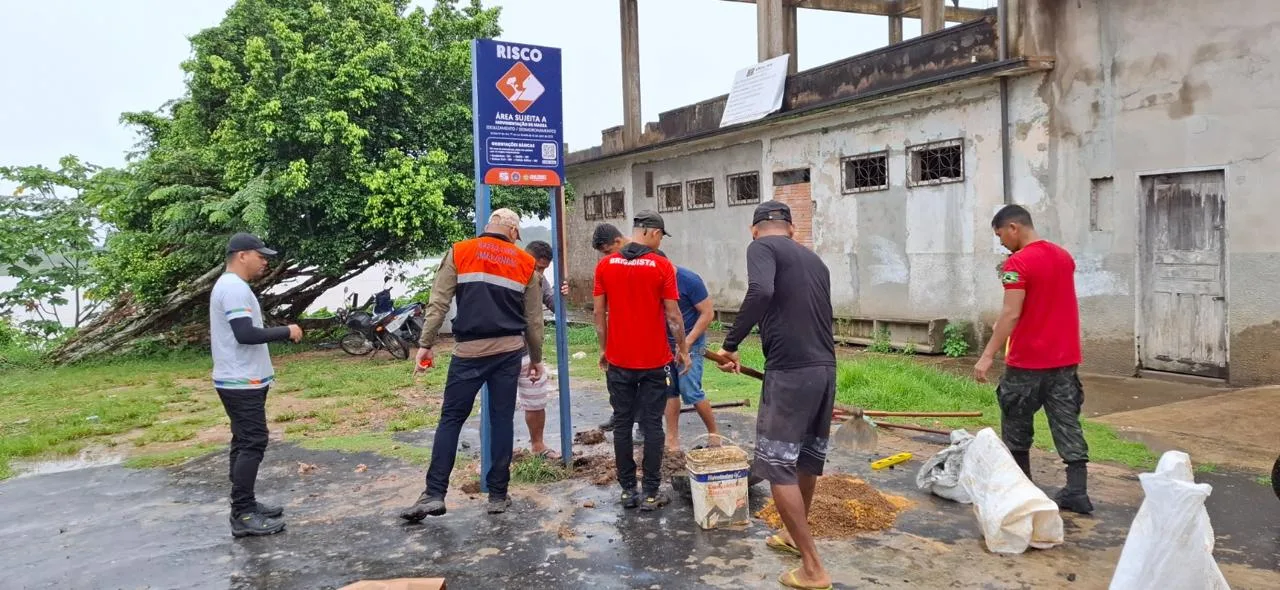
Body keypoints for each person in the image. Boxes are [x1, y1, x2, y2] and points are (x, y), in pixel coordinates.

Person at [716, 201, 837, 590]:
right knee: (805, 458)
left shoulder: (761, 248)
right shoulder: (816, 261)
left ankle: (813, 568)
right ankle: (790, 535)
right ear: (792, 228)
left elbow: (761, 290)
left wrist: (731, 343)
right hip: (824, 370)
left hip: (790, 374)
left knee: (775, 465)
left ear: (754, 230)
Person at [400, 209, 544, 521]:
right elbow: (533, 320)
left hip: (468, 351)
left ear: (488, 226)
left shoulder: (460, 251)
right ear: (514, 233)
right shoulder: (525, 262)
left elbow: (438, 303)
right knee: (501, 420)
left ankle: (434, 493)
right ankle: (497, 495)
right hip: (509, 351)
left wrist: (425, 345)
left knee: (451, 419)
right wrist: (536, 359)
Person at [974, 204, 1093, 514]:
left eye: (1001, 235)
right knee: (1067, 421)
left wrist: (987, 356)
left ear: (1014, 227)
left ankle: (1021, 487)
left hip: (1027, 360)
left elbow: (1011, 313)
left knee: (1015, 421)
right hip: (1065, 359)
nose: (1001, 242)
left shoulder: (1017, 264)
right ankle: (1077, 491)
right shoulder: (1064, 257)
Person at [593, 211, 690, 511]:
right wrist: (683, 349)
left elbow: (599, 314)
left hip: (619, 361)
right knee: (652, 425)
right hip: (654, 362)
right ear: (650, 232)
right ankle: (650, 492)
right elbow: (673, 315)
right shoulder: (662, 265)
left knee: (622, 424)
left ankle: (627, 492)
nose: (661, 239)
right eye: (660, 234)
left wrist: (603, 348)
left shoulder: (606, 265)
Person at [209, 232, 303, 538]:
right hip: (240, 381)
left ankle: (244, 505)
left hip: (241, 378)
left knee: (243, 441)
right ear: (241, 255)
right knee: (252, 442)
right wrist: (286, 331)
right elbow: (245, 334)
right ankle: (244, 514)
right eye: (260, 256)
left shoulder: (232, 286)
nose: (265, 262)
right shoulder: (233, 288)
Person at [651, 251, 719, 451]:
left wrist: (686, 344)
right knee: (669, 389)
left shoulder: (689, 280)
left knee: (690, 389)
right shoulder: (653, 281)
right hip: (664, 346)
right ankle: (672, 440)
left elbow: (707, 314)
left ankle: (714, 435)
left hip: (692, 343)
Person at [520, 240, 570, 459]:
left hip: (528, 350)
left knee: (536, 397)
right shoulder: (509, 274)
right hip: (504, 347)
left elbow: (553, 303)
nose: (539, 272)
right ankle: (492, 452)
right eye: (537, 267)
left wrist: (562, 294)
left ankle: (538, 445)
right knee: (496, 403)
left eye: (543, 269)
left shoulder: (540, 280)